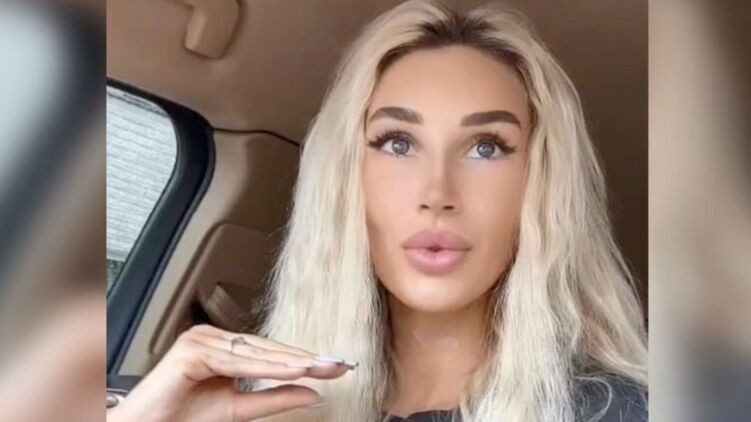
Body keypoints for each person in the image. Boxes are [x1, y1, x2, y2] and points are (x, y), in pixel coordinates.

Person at [107, 1, 648, 421]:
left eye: (486, 147)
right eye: (397, 143)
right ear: (346, 180)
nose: (437, 192)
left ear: (540, 187)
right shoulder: (261, 406)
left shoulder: (618, 411)